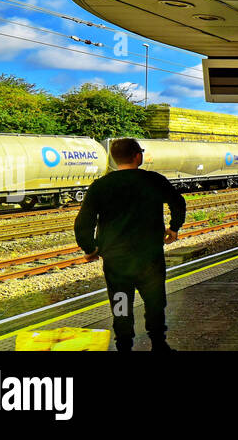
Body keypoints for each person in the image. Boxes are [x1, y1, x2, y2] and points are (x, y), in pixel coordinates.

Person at [74, 138, 186, 352]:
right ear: (137, 156)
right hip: (149, 256)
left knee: (121, 302)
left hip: (116, 260)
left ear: (115, 159)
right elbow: (178, 202)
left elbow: (83, 222)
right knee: (154, 300)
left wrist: (90, 248)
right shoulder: (154, 180)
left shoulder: (101, 185)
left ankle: (124, 345)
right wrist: (174, 227)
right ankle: (158, 344)